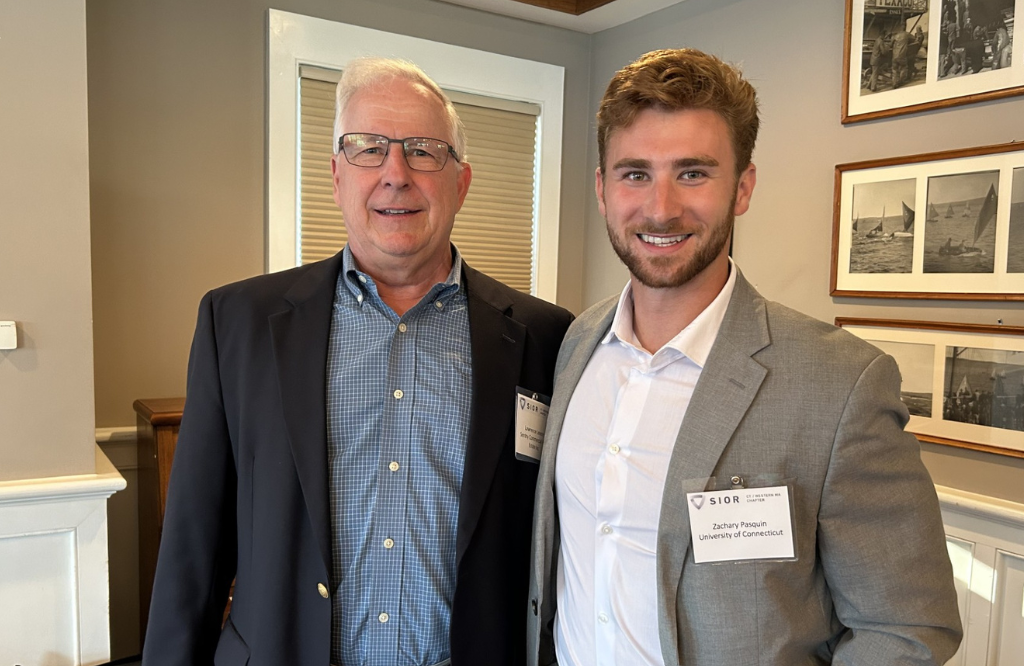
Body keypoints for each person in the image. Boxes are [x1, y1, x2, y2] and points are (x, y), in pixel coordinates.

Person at [527, 48, 962, 666]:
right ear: (601, 188)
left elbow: (908, 627)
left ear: (743, 187)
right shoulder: (577, 344)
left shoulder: (842, 384)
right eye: (635, 173)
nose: (660, 207)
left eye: (694, 173)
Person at [143, 57, 573, 666]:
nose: (395, 174)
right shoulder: (235, 323)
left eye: (424, 151)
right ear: (336, 174)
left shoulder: (546, 338)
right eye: (368, 148)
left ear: (462, 181)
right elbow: (193, 549)